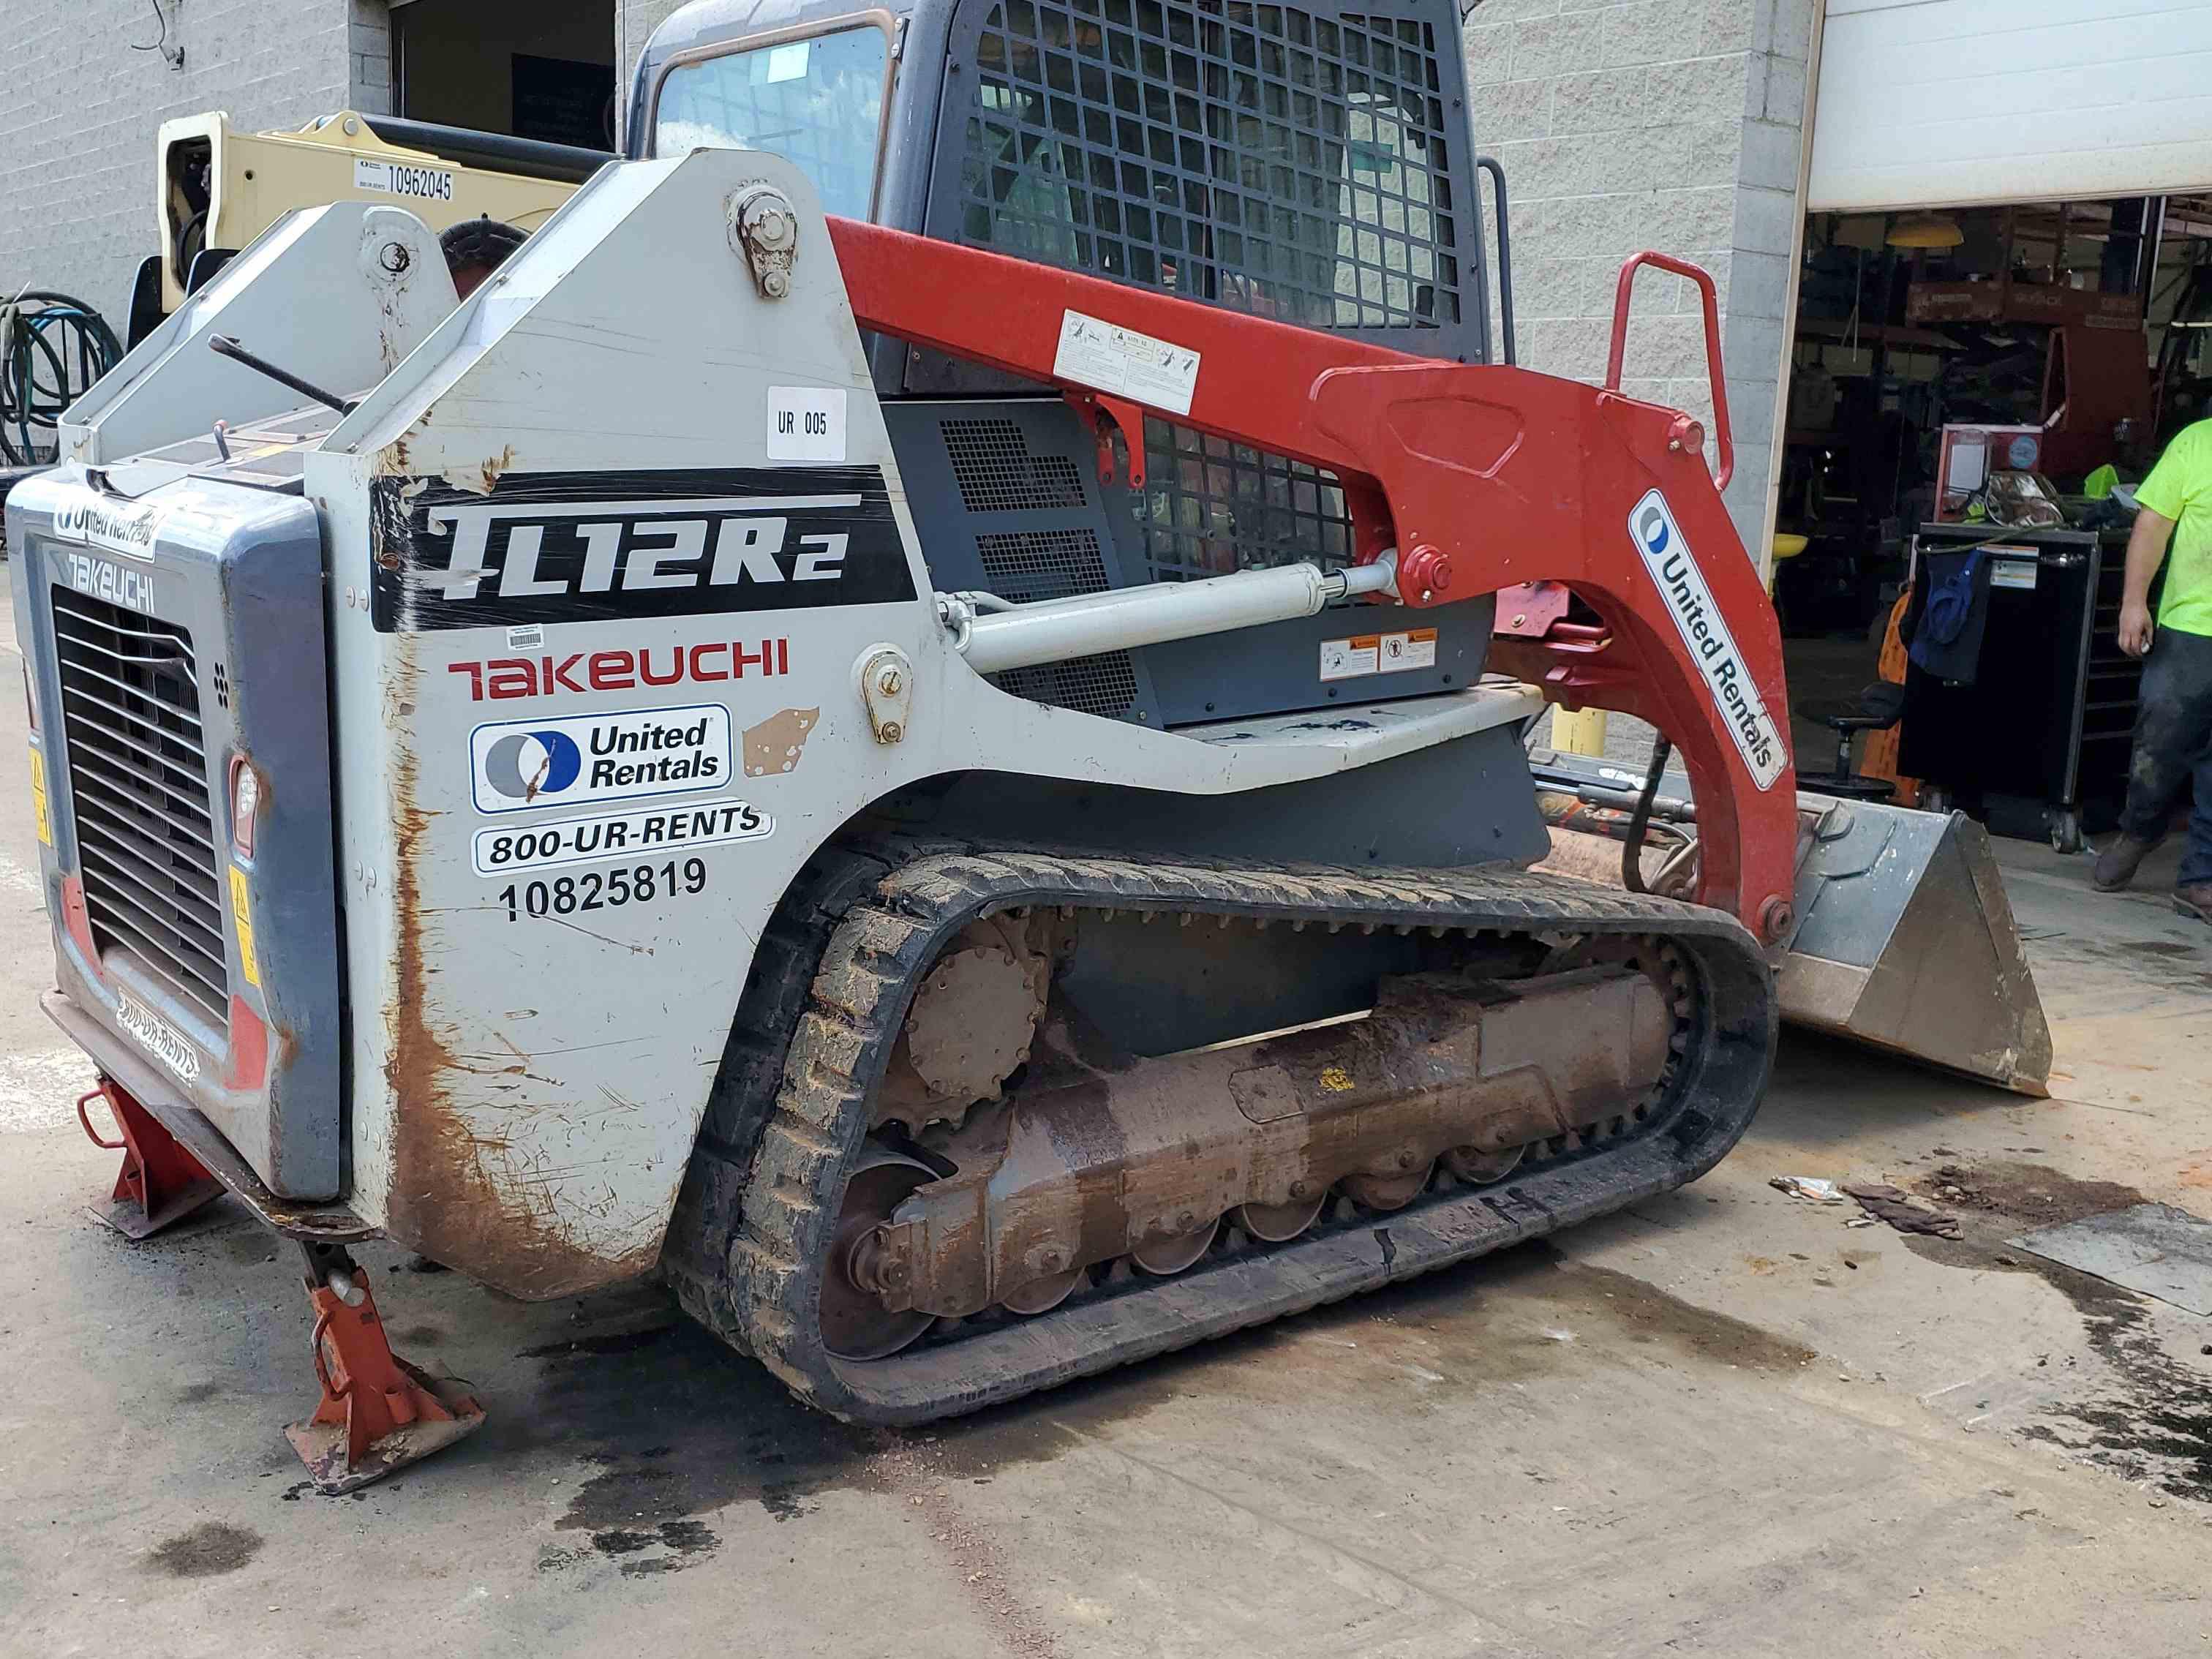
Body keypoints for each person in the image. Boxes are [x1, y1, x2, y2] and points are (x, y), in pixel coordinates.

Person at [2092, 421, 2212, 920]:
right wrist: (2133, 603)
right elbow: (2152, 525)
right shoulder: (2197, 442)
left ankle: (2200, 879)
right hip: (2189, 626)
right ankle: (2140, 828)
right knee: (2159, 743)